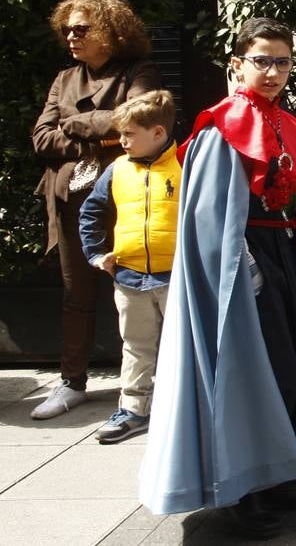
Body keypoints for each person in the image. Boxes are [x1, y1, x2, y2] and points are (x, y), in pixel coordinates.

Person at [139, 18, 296, 536]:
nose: (272, 71)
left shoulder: (284, 121)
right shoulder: (221, 126)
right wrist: (244, 268)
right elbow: (207, 217)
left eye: (282, 62)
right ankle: (244, 491)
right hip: (247, 264)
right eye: (261, 61)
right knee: (257, 371)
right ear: (237, 64)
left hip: (287, 254)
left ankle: (280, 475)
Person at [31, 0, 162, 420]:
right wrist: (99, 136)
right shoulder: (65, 78)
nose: (71, 36)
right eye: (67, 28)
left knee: (142, 292)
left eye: (82, 28)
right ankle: (71, 382)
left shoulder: (138, 72)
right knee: (77, 293)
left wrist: (75, 124)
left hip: (128, 199)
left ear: (111, 30)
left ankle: (149, 385)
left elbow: (138, 120)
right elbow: (42, 138)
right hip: (71, 198)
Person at [77, 90, 178, 444]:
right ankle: (134, 410)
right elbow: (91, 211)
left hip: (176, 277)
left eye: (129, 134)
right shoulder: (117, 169)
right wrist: (95, 253)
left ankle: (184, 411)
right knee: (136, 346)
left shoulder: (185, 165)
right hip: (130, 277)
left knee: (184, 347)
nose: (121, 141)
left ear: (158, 133)